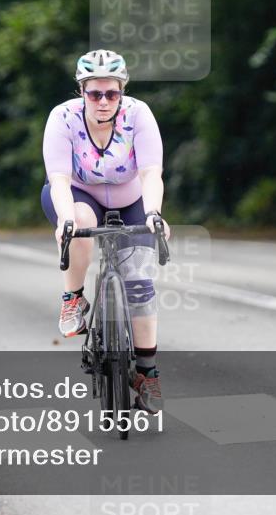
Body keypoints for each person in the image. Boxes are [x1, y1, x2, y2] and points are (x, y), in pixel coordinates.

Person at [41, 49, 170, 414]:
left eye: (111, 94)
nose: (102, 101)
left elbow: (150, 174)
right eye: (94, 93)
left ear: (122, 92)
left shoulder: (138, 114)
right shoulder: (63, 118)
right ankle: (73, 297)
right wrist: (65, 220)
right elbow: (60, 180)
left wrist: (154, 214)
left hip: (132, 197)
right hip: (79, 196)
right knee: (79, 225)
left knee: (139, 281)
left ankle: (147, 372)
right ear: (80, 91)